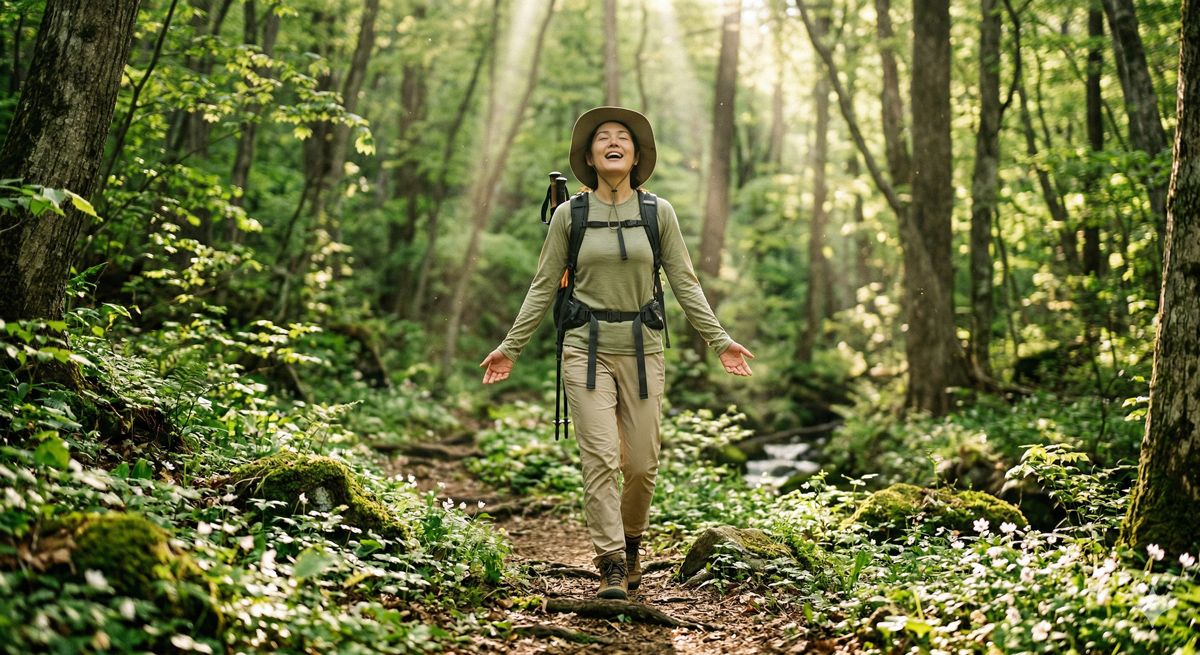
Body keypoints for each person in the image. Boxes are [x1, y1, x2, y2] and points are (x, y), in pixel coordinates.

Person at [479, 106, 754, 600]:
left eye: (622, 137)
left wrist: (721, 339)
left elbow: (685, 283)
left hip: (644, 351)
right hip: (585, 351)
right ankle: (608, 563)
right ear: (589, 156)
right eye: (602, 137)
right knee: (602, 458)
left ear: (635, 155)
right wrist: (509, 348)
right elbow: (543, 286)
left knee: (643, 463)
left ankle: (630, 546)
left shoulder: (657, 212)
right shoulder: (570, 215)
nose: (612, 141)